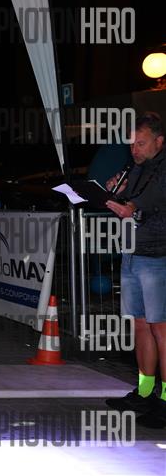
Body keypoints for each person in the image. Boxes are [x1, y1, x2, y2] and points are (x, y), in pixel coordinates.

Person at [105, 112, 166, 429]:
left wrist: (130, 208)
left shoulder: (162, 169)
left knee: (161, 329)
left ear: (159, 141)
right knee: (141, 325)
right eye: (132, 144)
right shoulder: (138, 169)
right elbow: (130, 204)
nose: (135, 150)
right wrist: (114, 193)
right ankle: (144, 392)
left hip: (158, 256)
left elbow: (148, 206)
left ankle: (165, 399)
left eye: (141, 143)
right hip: (132, 253)